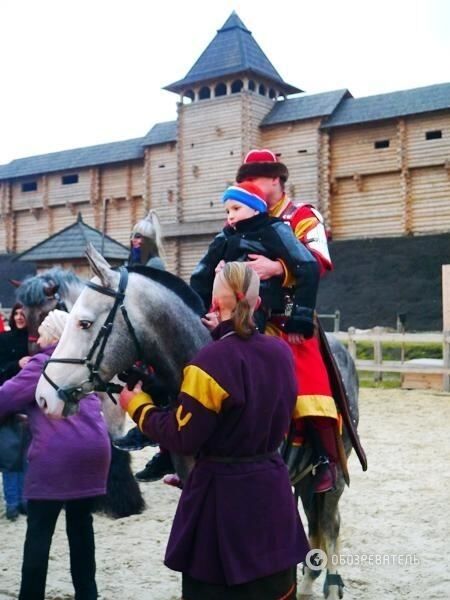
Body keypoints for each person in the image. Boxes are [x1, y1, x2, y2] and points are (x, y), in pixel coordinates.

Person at [120, 262, 309, 599]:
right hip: (273, 493)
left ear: (215, 304)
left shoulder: (209, 363)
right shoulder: (281, 352)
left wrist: (138, 406)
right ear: (257, 304)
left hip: (224, 502)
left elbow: (183, 436)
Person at [234, 149, 339, 493]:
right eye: (244, 181)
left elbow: (319, 259)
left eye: (257, 179)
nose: (250, 186)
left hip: (288, 318)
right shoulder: (240, 214)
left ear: (276, 179)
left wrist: (277, 267)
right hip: (242, 314)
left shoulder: (302, 216)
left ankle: (324, 456)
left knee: (307, 375)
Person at [0, 309, 111, 600]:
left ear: (51, 336)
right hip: (94, 451)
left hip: (57, 456)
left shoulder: (43, 362)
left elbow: (5, 399)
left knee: (39, 531)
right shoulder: (84, 363)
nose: (37, 340)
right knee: (81, 528)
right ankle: (87, 594)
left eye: (42, 334)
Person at [191, 181, 319, 336]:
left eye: (236, 209)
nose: (231, 216)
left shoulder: (275, 230)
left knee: (245, 336)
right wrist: (196, 311)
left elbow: (308, 266)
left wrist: (300, 318)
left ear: (256, 209)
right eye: (227, 211)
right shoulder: (225, 236)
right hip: (221, 303)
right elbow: (201, 275)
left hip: (260, 305)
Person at [115, 209, 176, 483]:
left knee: (153, 381)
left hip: (153, 328)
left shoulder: (155, 266)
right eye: (133, 236)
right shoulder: (133, 263)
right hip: (136, 326)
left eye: (139, 237)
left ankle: (150, 433)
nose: (134, 241)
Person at [0, 303, 30, 520]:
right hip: (8, 401)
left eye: (23, 313)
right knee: (10, 455)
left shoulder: (35, 342)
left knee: (29, 455)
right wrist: (16, 364)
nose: (19, 317)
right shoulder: (4, 340)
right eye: (16, 313)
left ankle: (26, 501)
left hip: (29, 401)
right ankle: (12, 502)